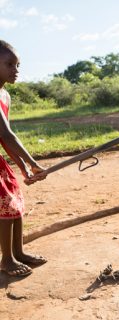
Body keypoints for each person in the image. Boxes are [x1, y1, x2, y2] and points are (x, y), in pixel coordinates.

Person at [0, 40, 47, 277]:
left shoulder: (5, 96)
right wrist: (33, 163)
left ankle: (18, 252)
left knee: (15, 200)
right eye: (9, 64)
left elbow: (4, 140)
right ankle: (6, 260)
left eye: (17, 65)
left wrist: (22, 168)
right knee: (6, 206)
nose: (15, 70)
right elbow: (7, 135)